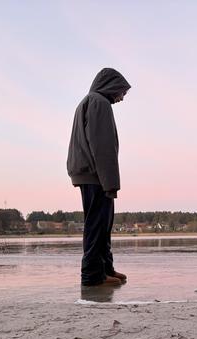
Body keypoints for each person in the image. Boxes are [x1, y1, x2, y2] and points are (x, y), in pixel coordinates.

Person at [67, 68, 131, 286]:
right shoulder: (99, 103)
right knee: (97, 224)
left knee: (102, 224)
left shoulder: (89, 102)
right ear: (111, 86)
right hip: (95, 174)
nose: (122, 98)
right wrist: (110, 183)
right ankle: (93, 276)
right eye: (121, 92)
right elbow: (102, 147)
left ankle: (105, 269)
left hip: (89, 173)